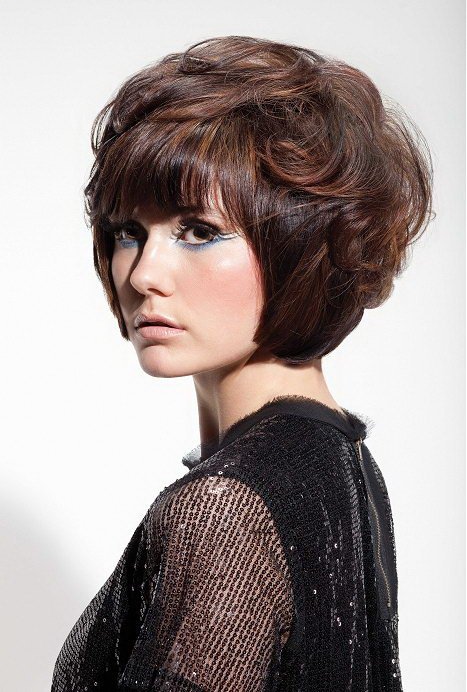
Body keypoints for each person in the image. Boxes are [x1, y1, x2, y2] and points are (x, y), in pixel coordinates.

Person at [51, 35, 433, 691]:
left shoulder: (226, 510)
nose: (142, 275)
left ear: (303, 246)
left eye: (199, 232)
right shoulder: (342, 464)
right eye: (127, 233)